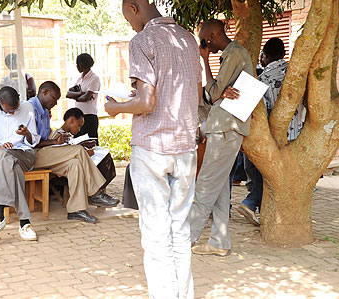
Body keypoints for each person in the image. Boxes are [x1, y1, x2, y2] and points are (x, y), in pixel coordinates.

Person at [105, 1, 202, 298]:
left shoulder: (143, 40)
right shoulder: (187, 39)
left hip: (152, 149)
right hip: (185, 147)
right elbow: (194, 93)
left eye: (127, 18)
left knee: (157, 234)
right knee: (180, 230)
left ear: (134, 8)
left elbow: (147, 102)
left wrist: (116, 108)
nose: (130, 25)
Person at [188, 19, 253, 257]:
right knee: (219, 188)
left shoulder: (235, 54)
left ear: (212, 36)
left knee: (204, 186)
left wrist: (205, 61)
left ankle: (185, 240)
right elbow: (214, 93)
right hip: (224, 127)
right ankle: (219, 241)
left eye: (204, 40)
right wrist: (217, 91)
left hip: (226, 127)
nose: (203, 45)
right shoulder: (231, 56)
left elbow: (213, 93)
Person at [234, 37, 306, 225]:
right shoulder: (297, 74)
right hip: (295, 135)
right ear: (283, 54)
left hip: (269, 138)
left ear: (264, 56)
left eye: (261, 57)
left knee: (263, 172)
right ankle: (258, 207)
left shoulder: (261, 78)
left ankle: (251, 203)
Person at [28, 82, 118, 224]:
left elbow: (46, 137)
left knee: (74, 164)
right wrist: (55, 142)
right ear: (44, 92)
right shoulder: (30, 108)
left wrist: (57, 142)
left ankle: (76, 210)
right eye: (54, 98)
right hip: (32, 155)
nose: (55, 103)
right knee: (78, 150)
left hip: (45, 153)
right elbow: (31, 141)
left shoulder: (44, 111)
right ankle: (95, 192)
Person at [0, 86, 40, 241]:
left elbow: (34, 141)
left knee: (7, 158)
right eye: (9, 111)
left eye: (15, 109)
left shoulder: (26, 107)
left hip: (24, 154)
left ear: (19, 98)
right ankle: (25, 223)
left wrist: (27, 134)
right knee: (10, 165)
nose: (13, 113)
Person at [66, 53, 100, 142]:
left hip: (89, 116)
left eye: (78, 64)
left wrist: (77, 96)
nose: (77, 66)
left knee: (91, 143)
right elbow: (68, 94)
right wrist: (81, 93)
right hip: (79, 116)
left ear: (82, 64)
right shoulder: (79, 79)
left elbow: (86, 97)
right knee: (78, 142)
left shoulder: (94, 78)